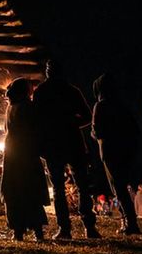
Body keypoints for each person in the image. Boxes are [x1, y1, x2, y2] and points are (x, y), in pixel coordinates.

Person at [33, 60, 98, 239]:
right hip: (73, 142)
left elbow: (35, 122)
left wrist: (42, 141)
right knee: (83, 186)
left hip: (53, 145)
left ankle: (64, 229)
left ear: (48, 72)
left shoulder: (41, 92)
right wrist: (71, 123)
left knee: (58, 188)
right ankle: (90, 227)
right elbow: (87, 116)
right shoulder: (72, 91)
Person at [90, 74, 142, 234]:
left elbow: (96, 131)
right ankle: (129, 221)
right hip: (126, 150)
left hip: (110, 152)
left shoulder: (100, 106)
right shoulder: (122, 105)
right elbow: (135, 129)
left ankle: (130, 223)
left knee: (118, 187)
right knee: (122, 186)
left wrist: (96, 135)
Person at [1, 78, 49, 241]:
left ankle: (18, 231)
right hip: (27, 154)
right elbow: (36, 130)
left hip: (12, 154)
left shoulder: (10, 107)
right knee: (31, 191)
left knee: (15, 192)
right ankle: (37, 231)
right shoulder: (28, 107)